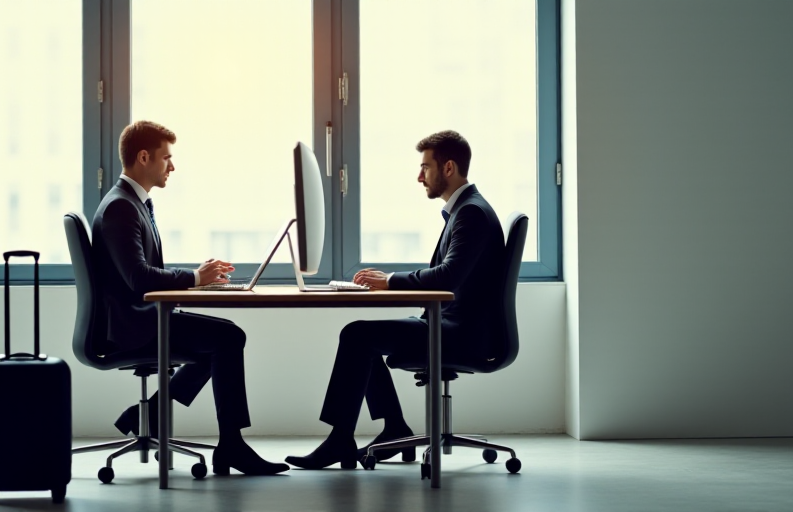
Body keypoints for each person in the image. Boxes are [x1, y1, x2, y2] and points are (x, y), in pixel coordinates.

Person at [285, 130, 507, 469]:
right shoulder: (465, 210)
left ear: (448, 168)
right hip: (452, 324)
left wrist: (388, 282)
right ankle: (392, 427)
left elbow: (447, 277)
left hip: (462, 333)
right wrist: (388, 281)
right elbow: (448, 274)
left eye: (425, 167)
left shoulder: (472, 213)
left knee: (358, 334)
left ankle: (340, 441)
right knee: (364, 335)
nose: (420, 177)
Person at [91, 120, 288, 475]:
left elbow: (140, 271)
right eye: (167, 158)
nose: (172, 166)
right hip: (131, 326)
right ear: (144, 157)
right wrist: (196, 278)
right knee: (227, 337)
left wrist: (197, 278)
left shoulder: (131, 203)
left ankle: (151, 413)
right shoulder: (121, 207)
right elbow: (138, 279)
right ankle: (231, 446)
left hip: (137, 319)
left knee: (221, 339)